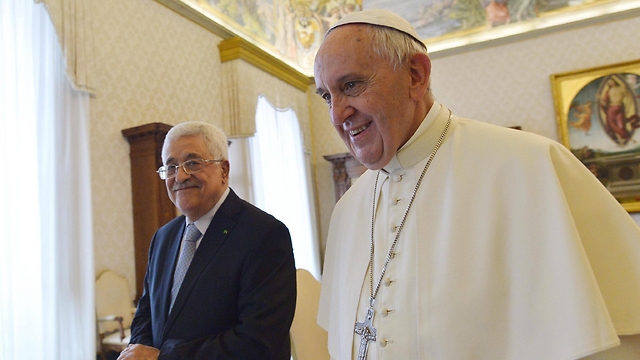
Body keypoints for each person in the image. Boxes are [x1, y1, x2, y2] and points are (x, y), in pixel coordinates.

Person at [313, 9, 640, 360]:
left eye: (351, 85)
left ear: (415, 75)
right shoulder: (348, 210)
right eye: (327, 96)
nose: (337, 115)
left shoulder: (527, 166)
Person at [118, 121, 296, 359]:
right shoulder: (163, 237)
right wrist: (140, 351)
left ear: (224, 170)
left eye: (192, 163)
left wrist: (163, 358)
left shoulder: (264, 234)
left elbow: (257, 342)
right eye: (171, 166)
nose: (180, 176)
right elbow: (145, 315)